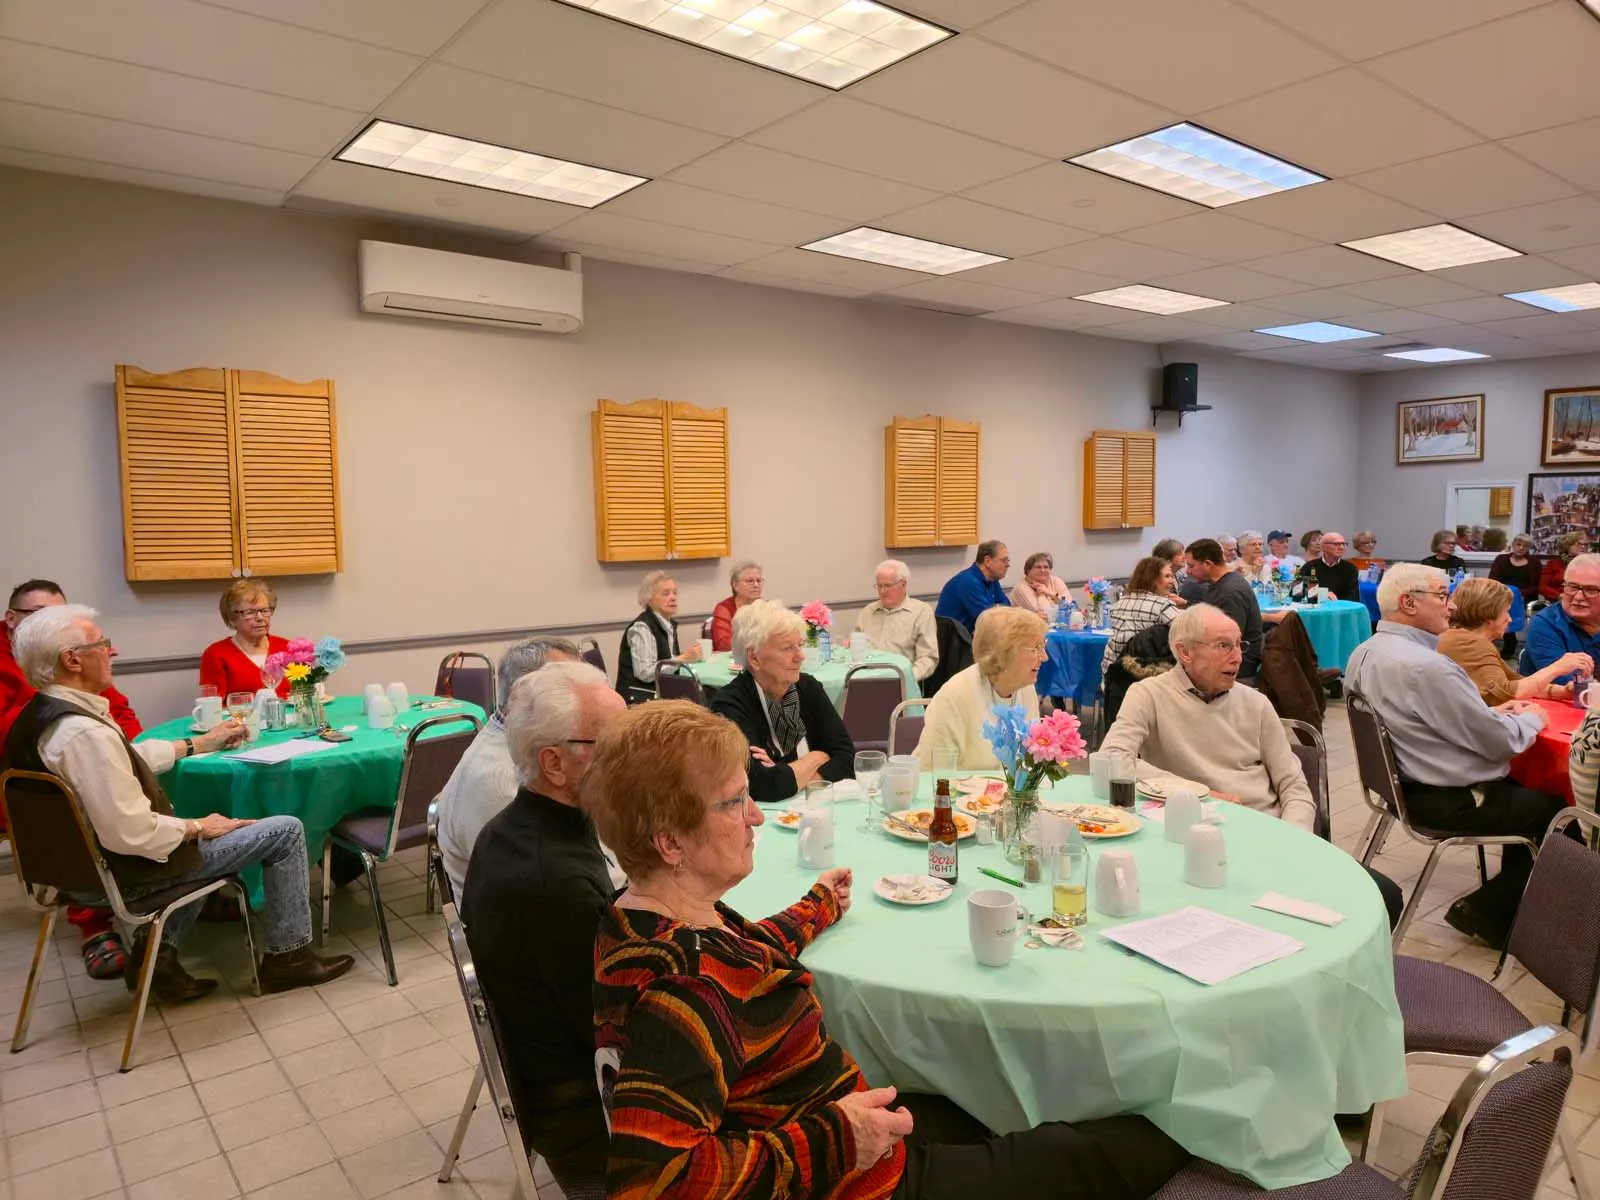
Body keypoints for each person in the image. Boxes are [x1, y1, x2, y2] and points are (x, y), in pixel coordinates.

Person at [583, 700, 1192, 1200]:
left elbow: (739, 966)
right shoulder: (685, 985)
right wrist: (840, 1138)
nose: (756, 818)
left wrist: (814, 906)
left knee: (978, 1097)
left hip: (833, 1128)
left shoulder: (639, 919)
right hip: (855, 1180)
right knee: (1129, 1141)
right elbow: (653, 1185)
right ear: (669, 842)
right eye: (733, 802)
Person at [7, 605, 354, 998]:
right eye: (101, 643)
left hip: (73, 870)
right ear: (72, 659)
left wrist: (198, 744)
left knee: (186, 829)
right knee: (284, 831)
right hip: (120, 873)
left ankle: (159, 962)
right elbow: (135, 834)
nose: (111, 651)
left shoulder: (44, 717)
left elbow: (125, 762)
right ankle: (289, 958)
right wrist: (199, 827)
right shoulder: (84, 734)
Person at [461, 661, 626, 1199]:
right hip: (586, 1113)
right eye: (615, 744)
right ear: (554, 763)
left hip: (556, 1062)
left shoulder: (516, 829)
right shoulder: (552, 879)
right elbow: (613, 1036)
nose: (632, 756)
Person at [1344, 563, 1562, 948]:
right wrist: (1532, 719)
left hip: (1402, 788)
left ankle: (1511, 910)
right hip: (1446, 800)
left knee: (1529, 794)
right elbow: (1497, 744)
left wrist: (1491, 714)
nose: (1451, 607)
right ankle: (1491, 911)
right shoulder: (1428, 667)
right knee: (1564, 816)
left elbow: (1422, 720)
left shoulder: (1367, 651)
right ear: (1409, 602)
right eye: (1443, 596)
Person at [0, 579, 142, 980]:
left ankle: (183, 892)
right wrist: (49, 703)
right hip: (23, 774)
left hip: (81, 755)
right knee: (83, 808)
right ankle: (95, 924)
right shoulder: (31, 663)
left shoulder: (74, 656)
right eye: (41, 615)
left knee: (140, 784)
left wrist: (122, 751)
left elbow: (119, 708)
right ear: (11, 619)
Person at [1102, 605, 1314, 831]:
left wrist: (1293, 838)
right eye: (1224, 646)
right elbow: (1111, 759)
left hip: (1260, 825)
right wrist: (1195, 792)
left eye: (1239, 645)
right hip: (1190, 828)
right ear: (1185, 653)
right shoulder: (1148, 695)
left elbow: (1294, 786)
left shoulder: (1256, 703)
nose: (1238, 658)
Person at [434, 635, 600, 898]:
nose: (587, 698)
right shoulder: (502, 781)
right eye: (570, 688)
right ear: (525, 694)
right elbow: (547, 881)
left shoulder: (523, 741)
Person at [709, 601, 854, 804]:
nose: (800, 657)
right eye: (787, 648)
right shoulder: (730, 705)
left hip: (816, 808)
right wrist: (817, 757)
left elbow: (847, 759)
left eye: (800, 645)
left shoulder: (808, 688)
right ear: (754, 658)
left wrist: (787, 776)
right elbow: (760, 785)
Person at [916, 606, 1045, 770]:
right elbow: (933, 775)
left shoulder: (1025, 688)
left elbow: (1029, 762)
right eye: (1035, 648)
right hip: (962, 793)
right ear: (1003, 653)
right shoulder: (955, 696)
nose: (1044, 657)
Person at [1438, 579, 1589, 705]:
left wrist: (1562, 692)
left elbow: (1515, 681)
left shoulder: (1463, 638)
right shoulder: (1470, 643)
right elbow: (1506, 693)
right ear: (1488, 615)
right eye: (1506, 611)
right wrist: (1558, 667)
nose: (1509, 619)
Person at [616, 570, 702, 705]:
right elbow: (645, 673)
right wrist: (682, 659)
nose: (673, 597)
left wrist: (686, 657)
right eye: (666, 593)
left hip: (659, 695)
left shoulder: (667, 624)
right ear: (649, 599)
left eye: (675, 593)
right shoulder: (642, 628)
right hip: (641, 700)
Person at [199, 578, 292, 698]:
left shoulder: (287, 647)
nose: (260, 617)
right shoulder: (216, 654)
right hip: (240, 716)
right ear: (232, 618)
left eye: (264, 610)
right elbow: (213, 708)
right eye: (249, 612)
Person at [1184, 538, 1263, 678]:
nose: (1187, 572)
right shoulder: (1222, 584)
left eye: (1191, 566)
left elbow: (1228, 641)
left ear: (1207, 564)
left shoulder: (1229, 593)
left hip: (1238, 665)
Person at [851, 559, 937, 683]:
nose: (882, 591)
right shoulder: (868, 611)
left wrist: (907, 678)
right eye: (879, 586)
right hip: (866, 679)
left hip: (902, 681)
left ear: (903, 584)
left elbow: (929, 658)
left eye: (887, 586)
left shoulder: (921, 612)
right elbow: (854, 648)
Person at [1523, 552, 1600, 682]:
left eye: (1591, 590)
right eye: (1572, 587)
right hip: (1552, 700)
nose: (1578, 597)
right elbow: (1568, 682)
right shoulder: (1545, 624)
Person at [1101, 556, 1178, 676]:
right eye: (1167, 576)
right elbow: (1187, 631)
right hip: (1144, 676)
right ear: (1152, 578)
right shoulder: (1162, 605)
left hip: (1113, 675)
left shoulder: (1118, 604)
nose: (1172, 581)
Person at [934, 540, 1011, 635]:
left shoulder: (992, 579)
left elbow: (1007, 609)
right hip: (956, 643)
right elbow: (986, 620)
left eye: (1008, 561)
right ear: (987, 561)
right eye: (1004, 560)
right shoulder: (967, 581)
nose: (1007, 565)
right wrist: (997, 610)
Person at [1487, 535, 1539, 656]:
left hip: (1524, 597)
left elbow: (1534, 586)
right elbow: (1493, 579)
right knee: (1498, 604)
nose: (1520, 548)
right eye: (1518, 544)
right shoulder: (1501, 559)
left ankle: (1509, 642)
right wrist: (1506, 592)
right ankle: (1493, 641)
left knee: (1508, 605)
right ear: (1512, 544)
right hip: (1501, 594)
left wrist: (1516, 593)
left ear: (1528, 548)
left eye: (1525, 546)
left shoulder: (1534, 563)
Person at [709, 561, 762, 653]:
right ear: (735, 585)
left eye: (759, 581)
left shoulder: (766, 607)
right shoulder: (724, 609)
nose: (756, 585)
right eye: (750, 581)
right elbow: (724, 644)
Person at [1296, 531, 1360, 603]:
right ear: (1323, 547)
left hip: (1339, 609)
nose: (1341, 547)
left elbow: (1353, 597)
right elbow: (1298, 592)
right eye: (1336, 544)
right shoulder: (1309, 567)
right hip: (1315, 609)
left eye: (1344, 544)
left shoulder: (1350, 568)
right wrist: (1321, 594)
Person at [1009, 552, 1068, 618]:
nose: (1042, 570)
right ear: (1028, 570)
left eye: (1046, 567)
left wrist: (1048, 592)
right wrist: (1041, 594)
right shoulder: (1020, 588)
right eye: (1038, 567)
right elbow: (1044, 613)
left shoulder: (1056, 581)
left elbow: (1068, 605)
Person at [1539, 531, 1589, 604]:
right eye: (1578, 544)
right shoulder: (1553, 564)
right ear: (1567, 546)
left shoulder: (1590, 564)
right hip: (1557, 602)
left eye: (1585, 544)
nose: (1583, 547)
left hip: (1583, 602)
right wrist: (1558, 595)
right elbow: (1542, 587)